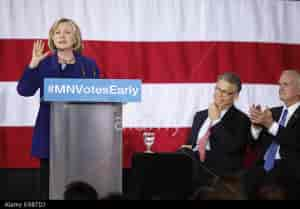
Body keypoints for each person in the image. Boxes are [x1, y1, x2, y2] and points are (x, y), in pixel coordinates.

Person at [16, 18, 100, 200]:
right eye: (57, 32)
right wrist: (32, 65)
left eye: (67, 32)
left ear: (75, 38)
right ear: (52, 38)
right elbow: (24, 90)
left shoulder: (89, 65)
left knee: (80, 187)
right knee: (49, 188)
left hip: (80, 133)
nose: (62, 36)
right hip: (49, 132)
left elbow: (99, 96)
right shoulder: (43, 63)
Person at [179, 72, 251, 190]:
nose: (219, 95)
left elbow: (232, 148)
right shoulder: (200, 115)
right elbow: (190, 144)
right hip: (192, 167)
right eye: (218, 89)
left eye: (225, 92)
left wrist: (216, 121)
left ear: (236, 96)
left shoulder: (242, 120)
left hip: (218, 173)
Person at [245, 70, 300, 200]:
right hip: (262, 168)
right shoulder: (272, 113)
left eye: (285, 84)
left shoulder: (269, 118)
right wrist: (256, 127)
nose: (280, 88)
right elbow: (253, 145)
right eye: (279, 84)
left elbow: (295, 141)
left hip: (290, 171)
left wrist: (270, 125)